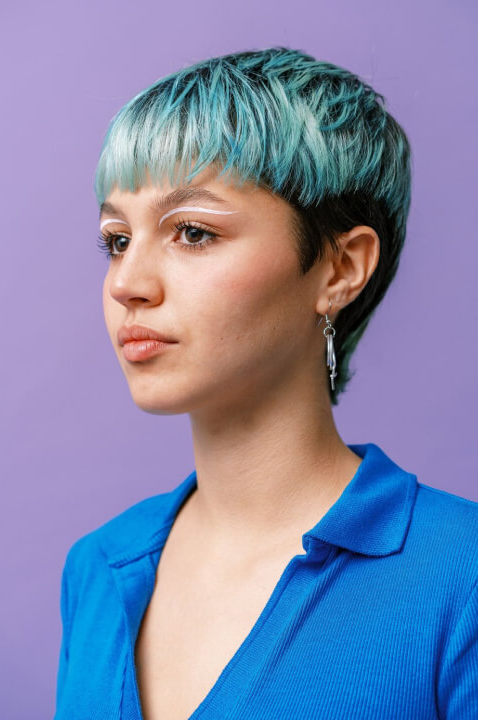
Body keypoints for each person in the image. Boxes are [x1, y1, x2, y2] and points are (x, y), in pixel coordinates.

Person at [54, 47, 478, 720]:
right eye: (117, 240)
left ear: (341, 269)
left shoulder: (461, 577)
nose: (127, 283)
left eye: (193, 232)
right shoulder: (97, 568)